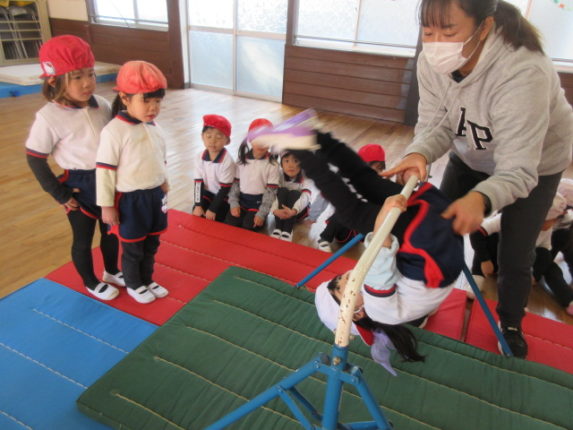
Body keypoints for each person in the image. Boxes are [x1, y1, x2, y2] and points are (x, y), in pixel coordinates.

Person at [383, 0, 573, 358]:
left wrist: (481, 199)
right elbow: (436, 124)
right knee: (436, 231)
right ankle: (424, 301)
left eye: (448, 32)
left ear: (483, 27)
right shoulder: (431, 63)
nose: (435, 44)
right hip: (470, 152)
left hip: (535, 166)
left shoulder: (523, 72)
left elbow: (519, 169)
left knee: (515, 252)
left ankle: (511, 322)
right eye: (428, 32)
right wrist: (418, 153)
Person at [252, 128, 464, 366]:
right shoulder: (378, 309)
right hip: (431, 251)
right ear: (357, 312)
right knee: (351, 211)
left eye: (338, 279)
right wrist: (382, 218)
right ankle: (300, 145)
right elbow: (383, 250)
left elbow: (419, 301)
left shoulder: (389, 310)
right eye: (340, 286)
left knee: (366, 181)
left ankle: (318, 138)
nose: (345, 276)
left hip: (442, 234)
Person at [25, 35, 123, 301]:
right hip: (79, 187)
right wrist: (60, 194)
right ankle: (90, 281)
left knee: (111, 231)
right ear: (54, 81)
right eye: (77, 77)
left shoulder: (101, 104)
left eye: (90, 74)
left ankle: (112, 270)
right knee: (82, 239)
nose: (87, 82)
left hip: (108, 180)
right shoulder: (48, 117)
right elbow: (35, 158)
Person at [96, 60, 170, 304]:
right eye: (146, 100)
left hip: (154, 196)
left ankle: (147, 279)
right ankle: (134, 283)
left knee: (152, 243)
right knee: (133, 247)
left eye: (157, 101)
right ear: (125, 98)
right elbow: (105, 172)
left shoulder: (155, 127)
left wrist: (164, 182)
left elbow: (161, 158)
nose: (153, 107)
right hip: (130, 200)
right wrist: (107, 205)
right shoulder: (114, 131)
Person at [310, 143, 386, 252]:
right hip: (341, 227)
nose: (378, 173)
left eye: (380, 169)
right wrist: (312, 216)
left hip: (361, 231)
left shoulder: (378, 184)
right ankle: (325, 238)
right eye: (375, 168)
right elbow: (324, 196)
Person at [225, 119, 280, 231]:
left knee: (248, 227)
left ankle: (260, 219)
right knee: (230, 223)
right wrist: (234, 203)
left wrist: (262, 213)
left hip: (259, 203)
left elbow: (271, 192)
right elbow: (235, 184)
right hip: (242, 200)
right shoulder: (241, 160)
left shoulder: (273, 164)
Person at [192, 114, 236, 222]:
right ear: (202, 136)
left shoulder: (228, 161)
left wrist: (213, 209)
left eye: (218, 137)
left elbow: (225, 189)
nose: (212, 141)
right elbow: (198, 183)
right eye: (209, 136)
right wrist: (198, 205)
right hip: (208, 193)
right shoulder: (199, 157)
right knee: (197, 213)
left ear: (227, 141)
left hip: (224, 196)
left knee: (217, 218)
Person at [270, 151, 312, 241]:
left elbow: (306, 197)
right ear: (281, 164)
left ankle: (288, 230)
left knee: (295, 193)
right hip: (280, 210)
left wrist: (293, 211)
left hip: (297, 211)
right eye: (287, 161)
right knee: (282, 191)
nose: (291, 165)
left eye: (296, 161)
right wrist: (274, 210)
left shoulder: (306, 176)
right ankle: (278, 227)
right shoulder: (278, 173)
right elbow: (273, 193)